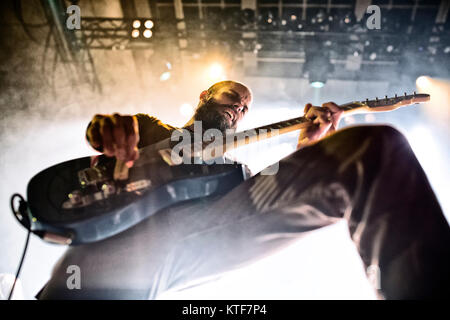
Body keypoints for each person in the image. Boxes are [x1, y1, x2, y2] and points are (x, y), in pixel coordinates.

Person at [37, 80, 450, 299]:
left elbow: (280, 199)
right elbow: (99, 132)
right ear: (205, 95)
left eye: (245, 107)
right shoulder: (151, 128)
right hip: (117, 245)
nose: (239, 107)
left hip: (195, 239)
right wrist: (106, 129)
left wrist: (310, 149)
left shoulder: (235, 170)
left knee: (373, 150)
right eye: (233, 97)